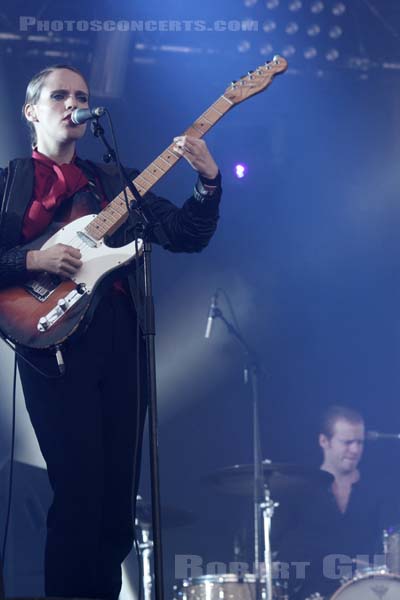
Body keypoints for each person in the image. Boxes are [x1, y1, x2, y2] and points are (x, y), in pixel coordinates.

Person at [0, 64, 222, 599]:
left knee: (116, 508)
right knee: (77, 494)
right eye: (60, 95)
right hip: (52, 348)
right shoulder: (9, 185)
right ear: (31, 111)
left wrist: (208, 180)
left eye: (81, 95)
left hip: (120, 342)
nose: (73, 103)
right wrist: (34, 258)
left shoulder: (113, 182)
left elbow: (185, 234)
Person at [272, 405, 390, 599]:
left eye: (360, 442)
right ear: (324, 441)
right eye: (347, 442)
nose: (355, 450)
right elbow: (278, 551)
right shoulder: (298, 491)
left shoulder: (377, 491)